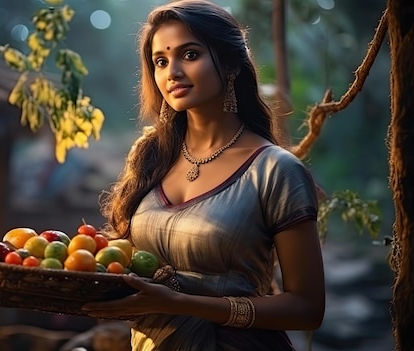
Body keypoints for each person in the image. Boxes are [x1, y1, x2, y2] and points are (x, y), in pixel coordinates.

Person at [81, 0, 325, 350]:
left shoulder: (275, 170)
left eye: (190, 55)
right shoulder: (150, 156)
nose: (172, 72)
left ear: (228, 64)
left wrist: (179, 304)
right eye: (161, 61)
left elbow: (307, 309)